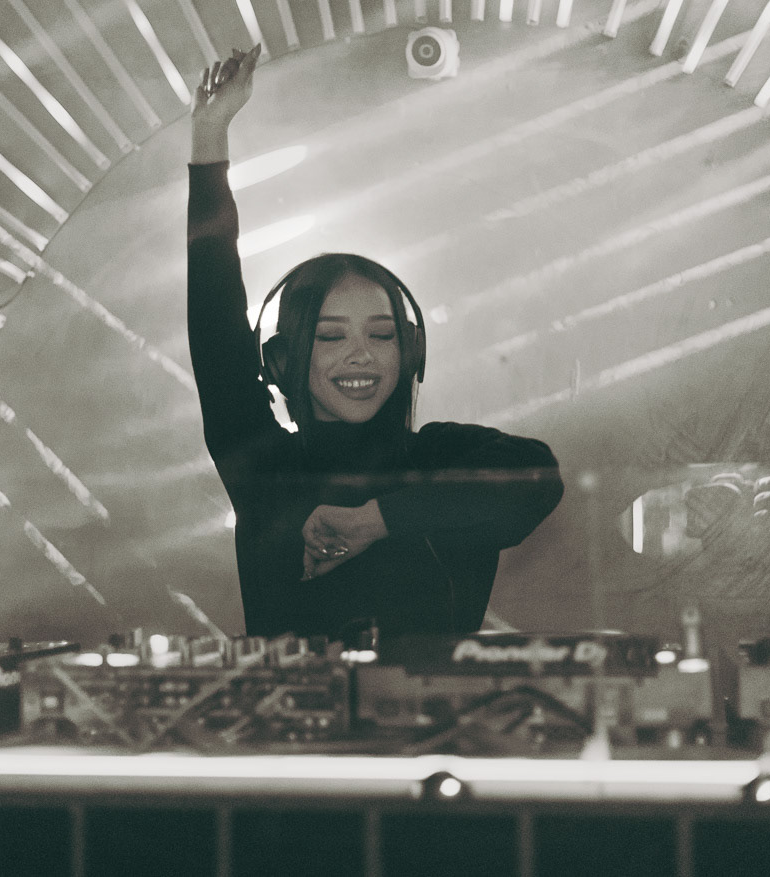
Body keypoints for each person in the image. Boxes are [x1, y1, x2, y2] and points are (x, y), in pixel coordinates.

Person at [188, 46, 564, 639]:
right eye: (330, 336)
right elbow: (214, 316)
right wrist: (210, 135)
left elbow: (538, 476)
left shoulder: (441, 457)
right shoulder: (264, 466)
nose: (360, 354)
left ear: (410, 351)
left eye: (382, 335)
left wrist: (376, 521)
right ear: (283, 360)